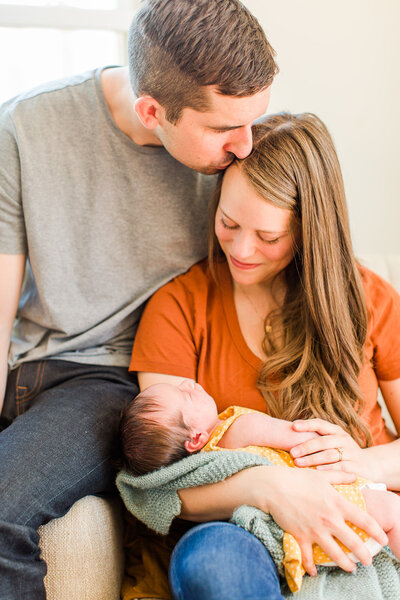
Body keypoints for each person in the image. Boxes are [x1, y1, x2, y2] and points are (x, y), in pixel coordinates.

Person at [0, 1, 278, 597]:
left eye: (253, 120)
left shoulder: (234, 169)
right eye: (226, 128)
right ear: (153, 111)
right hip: (22, 366)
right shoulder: (24, 126)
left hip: (104, 381)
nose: (247, 146)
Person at [128, 112, 400, 599]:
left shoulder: (371, 301)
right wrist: (269, 488)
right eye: (228, 223)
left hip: (368, 513)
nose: (241, 249)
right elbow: (165, 479)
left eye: (269, 237)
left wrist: (362, 466)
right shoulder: (178, 308)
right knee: (210, 565)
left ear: (309, 233)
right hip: (243, 529)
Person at [120, 380, 400, 592]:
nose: (187, 384)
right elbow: (300, 437)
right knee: (393, 512)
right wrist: (334, 442)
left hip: (297, 545)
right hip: (333, 503)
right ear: (195, 439)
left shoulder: (206, 465)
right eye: (184, 396)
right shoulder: (239, 426)